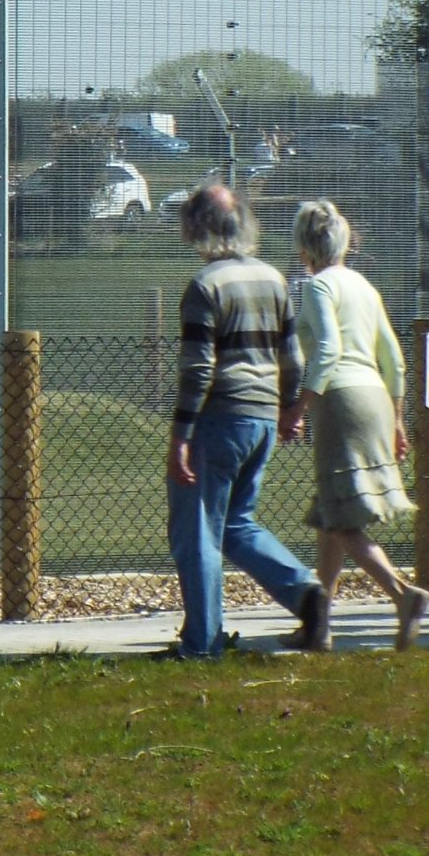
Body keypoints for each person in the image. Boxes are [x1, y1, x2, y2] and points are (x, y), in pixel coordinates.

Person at [165, 183, 326, 660]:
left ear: (200, 228)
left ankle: (202, 644)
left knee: (197, 531)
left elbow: (198, 369)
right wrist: (289, 407)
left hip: (218, 418)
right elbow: (292, 357)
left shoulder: (205, 286)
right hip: (260, 420)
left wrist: (180, 435)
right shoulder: (275, 279)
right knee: (236, 523)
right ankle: (305, 593)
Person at [284, 202, 429, 650]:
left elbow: (327, 350)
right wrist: (398, 420)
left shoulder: (317, 287)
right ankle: (318, 624)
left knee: (341, 517)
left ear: (304, 245)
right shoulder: (365, 287)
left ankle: (402, 594)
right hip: (374, 398)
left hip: (341, 401)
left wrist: (299, 406)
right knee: (333, 514)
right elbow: (394, 359)